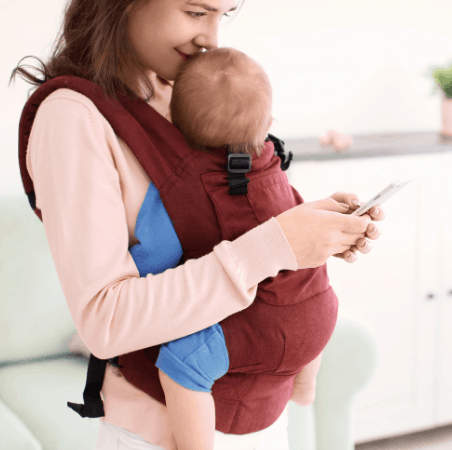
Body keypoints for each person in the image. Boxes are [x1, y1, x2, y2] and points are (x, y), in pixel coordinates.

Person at [11, 0, 386, 449]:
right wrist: (278, 246)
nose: (211, 37)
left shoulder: (189, 90)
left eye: (222, 15)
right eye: (195, 12)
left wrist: (314, 233)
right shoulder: (74, 117)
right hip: (162, 432)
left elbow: (234, 222)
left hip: (263, 418)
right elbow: (104, 322)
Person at [149, 46, 340, 450]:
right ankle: (305, 387)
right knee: (309, 298)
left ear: (175, 125)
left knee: (181, 365)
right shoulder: (276, 173)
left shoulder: (180, 188)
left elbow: (155, 255)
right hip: (320, 314)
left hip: (261, 329)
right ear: (268, 124)